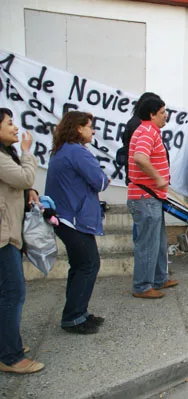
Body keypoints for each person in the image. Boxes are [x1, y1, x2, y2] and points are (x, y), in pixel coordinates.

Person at [45, 111, 110, 334]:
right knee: (89, 265)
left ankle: (78, 312)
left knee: (80, 265)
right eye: (89, 126)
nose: (92, 131)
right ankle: (73, 317)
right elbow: (100, 182)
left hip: (65, 218)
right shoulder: (77, 152)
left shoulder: (62, 150)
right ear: (78, 128)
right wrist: (105, 179)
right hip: (73, 219)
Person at [0, 108, 44, 374]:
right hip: (4, 236)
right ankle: (11, 356)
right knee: (13, 293)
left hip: (9, 232)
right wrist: (27, 151)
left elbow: (20, 183)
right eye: (9, 123)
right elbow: (24, 176)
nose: (16, 128)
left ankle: (7, 344)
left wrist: (30, 190)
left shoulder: (6, 155)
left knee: (7, 293)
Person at [127, 95, 178, 299]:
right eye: (162, 113)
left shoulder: (150, 131)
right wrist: (158, 177)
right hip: (145, 197)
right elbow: (140, 158)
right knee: (148, 243)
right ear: (151, 114)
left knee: (158, 240)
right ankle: (142, 286)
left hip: (152, 197)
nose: (165, 116)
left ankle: (159, 278)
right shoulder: (147, 131)